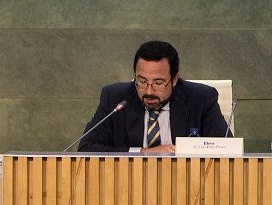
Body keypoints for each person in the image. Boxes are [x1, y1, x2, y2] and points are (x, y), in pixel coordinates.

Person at [78, 40, 230, 153]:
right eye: (142, 81)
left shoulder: (201, 99)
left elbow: (228, 149)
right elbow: (86, 147)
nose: (149, 91)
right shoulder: (115, 98)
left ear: (175, 79)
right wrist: (143, 152)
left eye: (158, 83)